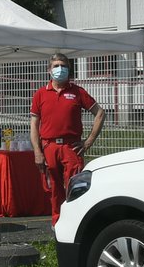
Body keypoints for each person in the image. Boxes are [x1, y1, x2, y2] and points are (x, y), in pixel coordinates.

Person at [29, 53, 106, 226]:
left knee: (75, 188)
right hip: (49, 147)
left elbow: (100, 113)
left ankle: (76, 224)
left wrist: (88, 141)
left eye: (63, 66)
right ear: (49, 70)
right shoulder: (40, 94)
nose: (59, 69)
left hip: (72, 147)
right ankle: (57, 225)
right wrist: (37, 151)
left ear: (69, 69)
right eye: (56, 66)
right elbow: (34, 125)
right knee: (55, 190)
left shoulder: (77, 92)